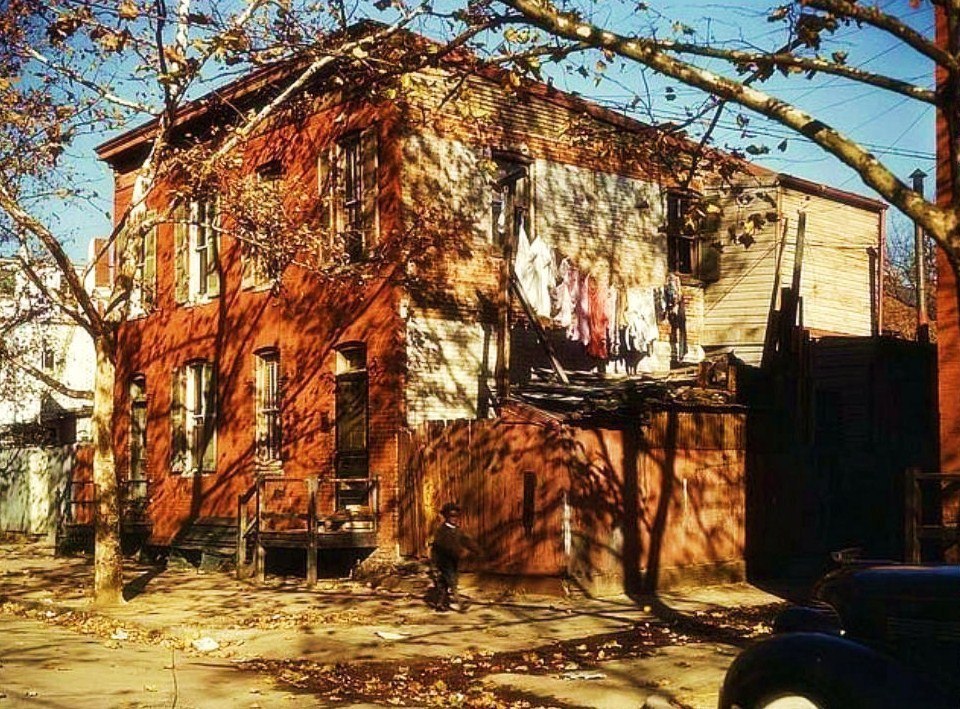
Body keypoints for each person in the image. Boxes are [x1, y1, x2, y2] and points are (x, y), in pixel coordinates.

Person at [430, 502, 480, 612]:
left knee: (444, 583)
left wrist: (477, 551)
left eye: (456, 516)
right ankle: (460, 604)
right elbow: (438, 547)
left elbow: (467, 541)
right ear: (446, 517)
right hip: (443, 560)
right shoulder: (441, 531)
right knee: (452, 581)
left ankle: (440, 603)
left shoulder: (457, 531)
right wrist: (434, 563)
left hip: (453, 560)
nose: (454, 519)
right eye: (451, 516)